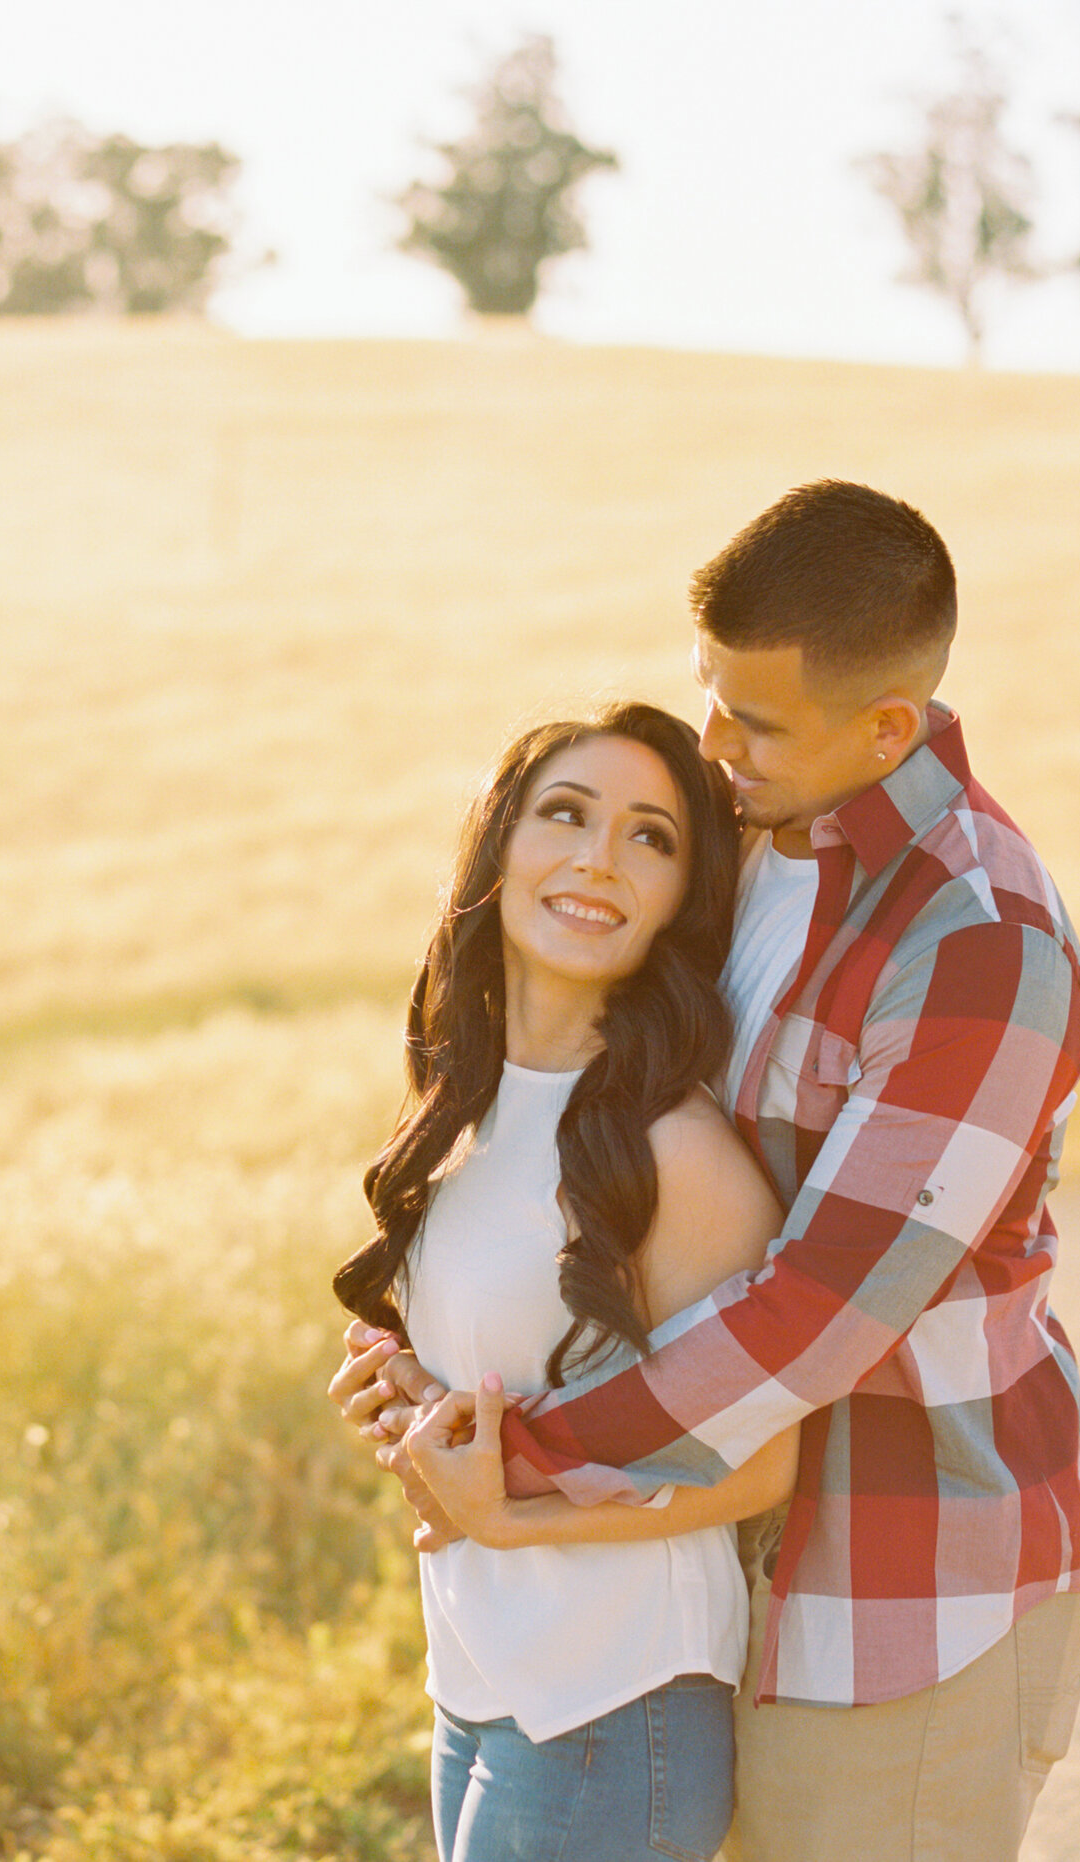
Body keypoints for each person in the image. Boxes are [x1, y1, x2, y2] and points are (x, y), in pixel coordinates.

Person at [335, 481, 1080, 1862]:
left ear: (887, 727)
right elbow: (587, 1113)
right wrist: (431, 1352)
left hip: (899, 1588)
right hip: (705, 1571)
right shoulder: (747, 841)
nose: (712, 743)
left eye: (753, 719)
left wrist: (519, 1460)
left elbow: (815, 1310)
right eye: (710, 692)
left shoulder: (977, 946)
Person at [328, 701, 801, 1862]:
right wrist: (402, 1389)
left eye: (650, 836)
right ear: (501, 845)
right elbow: (502, 1367)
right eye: (567, 813)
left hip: (614, 1697)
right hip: (482, 1679)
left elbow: (762, 1463)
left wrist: (514, 1515)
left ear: (679, 896)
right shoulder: (463, 1108)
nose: (599, 856)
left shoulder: (674, 1153)